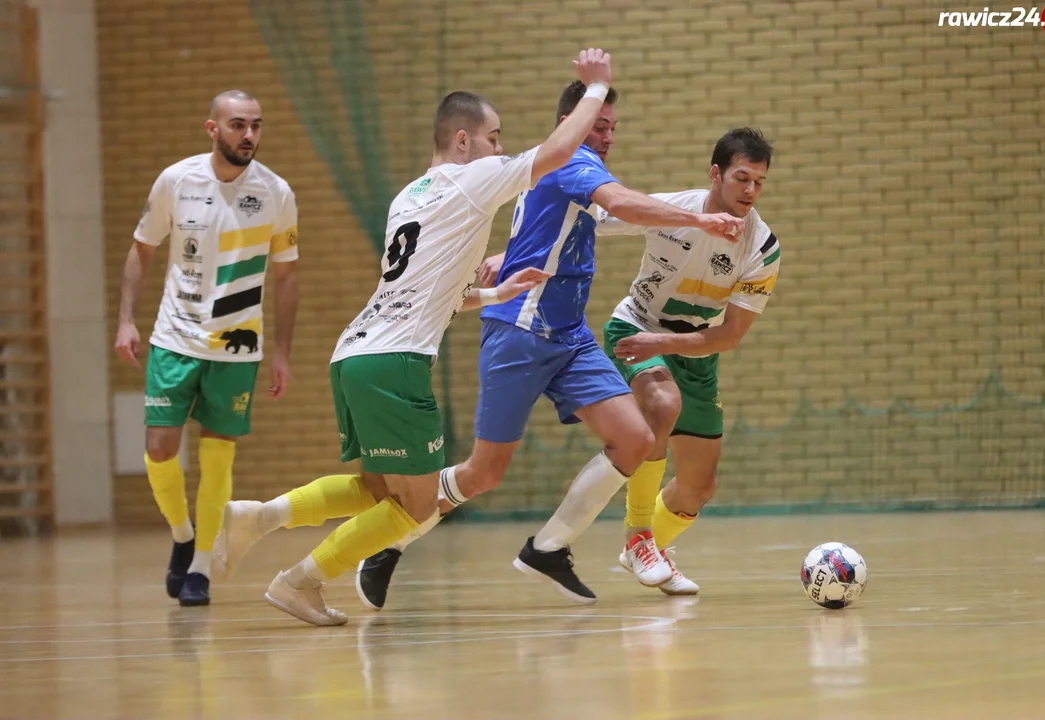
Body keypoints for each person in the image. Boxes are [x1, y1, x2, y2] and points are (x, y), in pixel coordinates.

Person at [211, 48, 618, 626]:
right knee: (417, 506)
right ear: (462, 141)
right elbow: (556, 154)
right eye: (494, 137)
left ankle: (261, 516)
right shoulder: (474, 178)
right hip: (395, 363)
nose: (500, 150)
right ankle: (300, 580)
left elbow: (427, 294)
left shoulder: (410, 196)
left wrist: (499, 295)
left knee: (379, 489)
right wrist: (597, 89)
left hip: (353, 354)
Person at [354, 82, 745, 610]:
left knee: (634, 437)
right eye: (597, 125)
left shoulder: (567, 171)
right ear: (574, 121)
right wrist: (700, 218)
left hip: (569, 335)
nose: (606, 136)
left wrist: (507, 251)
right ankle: (389, 542)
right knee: (484, 472)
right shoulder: (570, 161)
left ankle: (549, 548)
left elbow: (593, 218)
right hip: (520, 329)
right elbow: (624, 206)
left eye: (612, 128)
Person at [114, 89, 299, 606]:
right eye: (238, 125)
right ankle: (181, 534)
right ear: (212, 129)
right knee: (159, 449)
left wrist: (282, 352)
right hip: (174, 338)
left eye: (256, 126)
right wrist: (126, 320)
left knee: (218, 460)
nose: (249, 136)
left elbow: (286, 278)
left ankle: (199, 570)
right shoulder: (177, 181)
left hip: (237, 347)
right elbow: (142, 250)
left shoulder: (276, 192)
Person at [603, 127, 780, 595]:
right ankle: (639, 535)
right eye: (742, 178)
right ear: (715, 174)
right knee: (662, 407)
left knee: (699, 488)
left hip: (691, 348)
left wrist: (664, 344)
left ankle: (649, 548)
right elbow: (587, 222)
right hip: (636, 328)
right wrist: (512, 254)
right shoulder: (670, 212)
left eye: (759, 183)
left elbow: (728, 336)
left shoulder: (762, 247)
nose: (750, 191)